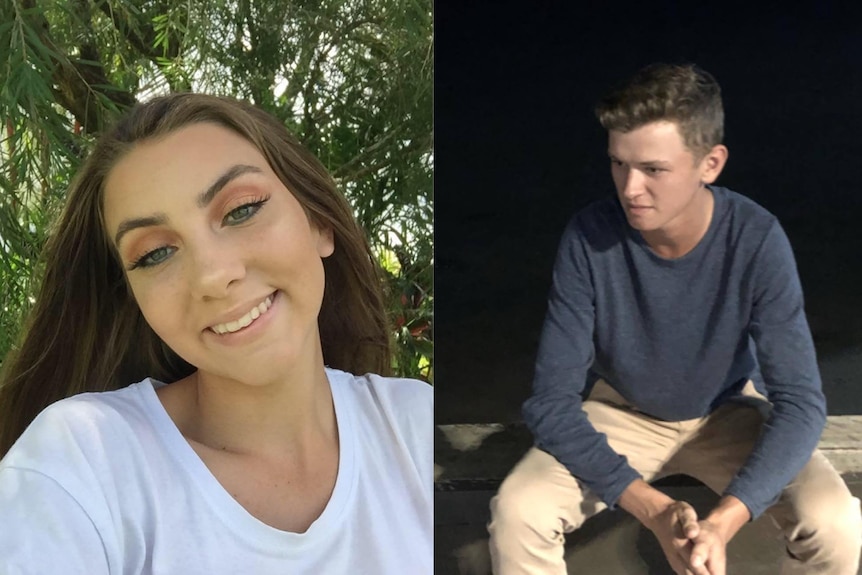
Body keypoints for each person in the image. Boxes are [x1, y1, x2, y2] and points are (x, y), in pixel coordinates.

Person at [0, 93, 433, 573]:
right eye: (155, 254)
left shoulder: (416, 429)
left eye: (242, 210)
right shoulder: (80, 465)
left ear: (319, 223)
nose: (212, 275)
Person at [487, 63, 862, 574]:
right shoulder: (589, 238)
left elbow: (800, 403)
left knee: (836, 521)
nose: (630, 188)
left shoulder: (755, 239)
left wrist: (724, 521)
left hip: (727, 410)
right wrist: (656, 511)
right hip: (622, 411)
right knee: (517, 513)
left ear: (710, 163)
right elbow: (551, 403)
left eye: (654, 169)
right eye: (618, 164)